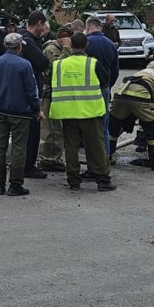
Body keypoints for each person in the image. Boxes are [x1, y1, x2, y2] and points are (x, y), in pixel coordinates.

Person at [48, 32, 116, 191]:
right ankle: (103, 180)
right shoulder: (93, 64)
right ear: (86, 46)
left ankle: (73, 180)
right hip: (89, 112)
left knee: (71, 147)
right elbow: (105, 80)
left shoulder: (59, 64)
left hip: (68, 113)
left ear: (71, 45)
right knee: (96, 146)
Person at [0, 33, 44, 196]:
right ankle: (15, 184)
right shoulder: (25, 65)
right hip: (20, 113)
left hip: (0, 111)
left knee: (0, 146)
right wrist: (36, 110)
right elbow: (31, 91)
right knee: (19, 148)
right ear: (19, 47)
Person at [109, 66, 154, 171]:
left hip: (120, 94)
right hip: (140, 96)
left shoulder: (152, 72)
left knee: (113, 128)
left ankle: (106, 157)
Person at [16, 10, 52, 179]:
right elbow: (43, 62)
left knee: (23, 132)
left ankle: (24, 164)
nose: (45, 28)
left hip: (21, 92)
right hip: (29, 93)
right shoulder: (28, 41)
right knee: (32, 131)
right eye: (44, 24)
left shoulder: (21, 39)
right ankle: (28, 166)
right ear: (38, 23)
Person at [38, 26, 73, 172]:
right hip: (49, 94)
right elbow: (59, 68)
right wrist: (66, 50)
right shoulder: (52, 49)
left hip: (58, 93)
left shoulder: (61, 48)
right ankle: (48, 159)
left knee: (58, 128)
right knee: (50, 128)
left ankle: (54, 156)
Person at [85, 16, 120, 160]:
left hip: (87, 90)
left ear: (88, 28)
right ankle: (105, 158)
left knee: (89, 128)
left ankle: (92, 161)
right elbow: (115, 70)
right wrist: (108, 86)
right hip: (104, 89)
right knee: (103, 127)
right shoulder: (111, 44)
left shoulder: (86, 43)